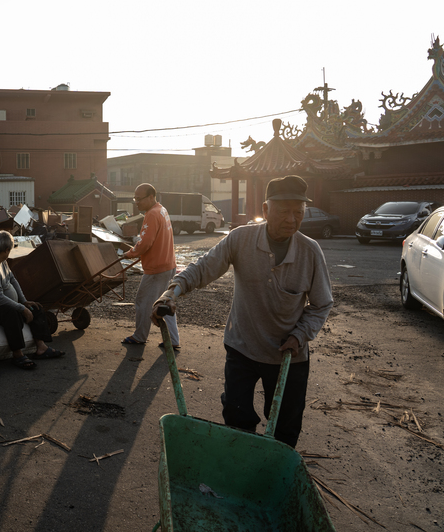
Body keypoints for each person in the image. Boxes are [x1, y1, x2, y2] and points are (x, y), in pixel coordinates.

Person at [152, 175, 333, 448]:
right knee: (236, 416)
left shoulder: (310, 251)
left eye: (299, 212)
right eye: (284, 211)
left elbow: (322, 304)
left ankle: (273, 475)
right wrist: (171, 292)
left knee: (285, 426)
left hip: (289, 355)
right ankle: (242, 463)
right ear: (265, 209)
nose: (292, 219)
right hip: (243, 347)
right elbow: (203, 268)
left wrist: (300, 335)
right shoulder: (241, 239)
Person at [0, 230, 64, 370]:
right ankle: (17, 354)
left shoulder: (0, 261)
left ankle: (41, 347)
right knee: (11, 313)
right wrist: (21, 308)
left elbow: (12, 279)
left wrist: (24, 301)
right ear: (6, 250)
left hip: (1, 302)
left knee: (36, 307)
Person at [121, 183, 180, 351]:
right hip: (168, 264)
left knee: (143, 302)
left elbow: (146, 242)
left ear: (151, 197)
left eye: (139, 199)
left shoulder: (152, 214)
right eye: (135, 199)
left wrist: (131, 253)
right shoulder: (162, 210)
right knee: (165, 303)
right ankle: (173, 340)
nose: (136, 202)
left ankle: (139, 337)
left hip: (157, 268)